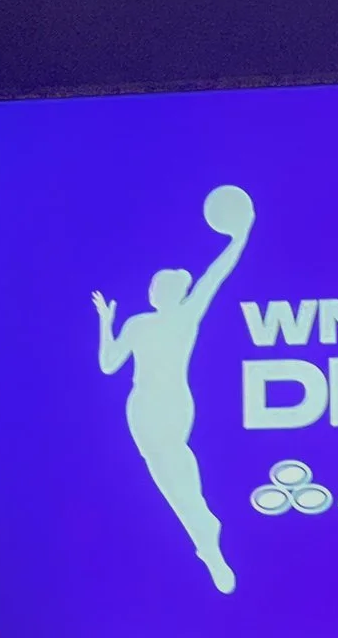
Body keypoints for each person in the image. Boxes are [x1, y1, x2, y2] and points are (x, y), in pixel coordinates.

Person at [94, 191, 250, 593]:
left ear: (173, 293)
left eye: (161, 286)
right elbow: (108, 364)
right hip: (142, 406)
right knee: (165, 472)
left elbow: (215, 275)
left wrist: (239, 238)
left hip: (171, 403)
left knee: (175, 464)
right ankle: (204, 533)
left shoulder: (184, 316)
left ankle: (205, 534)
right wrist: (105, 324)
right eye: (153, 286)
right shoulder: (138, 324)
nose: (155, 290)